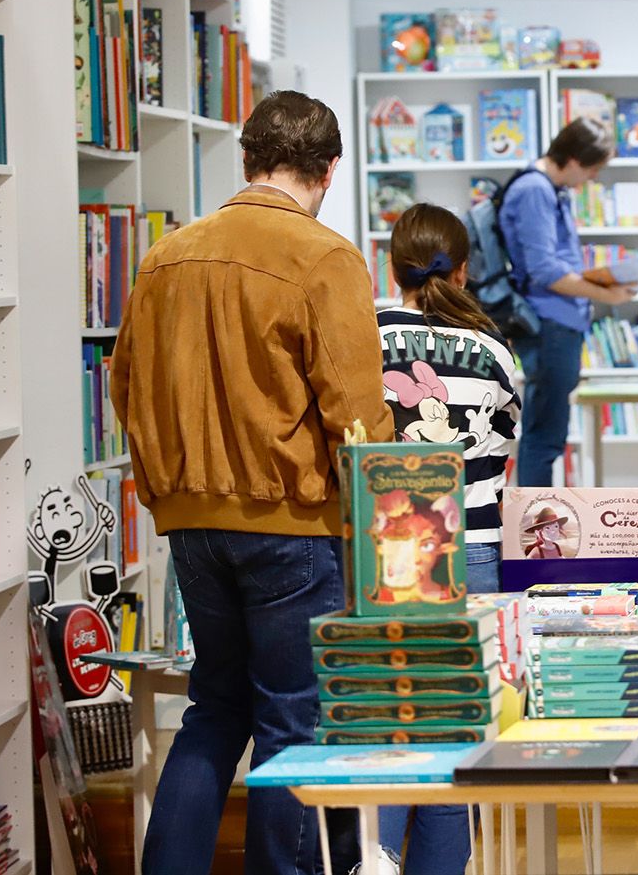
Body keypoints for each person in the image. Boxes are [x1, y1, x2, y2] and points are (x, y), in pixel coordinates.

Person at [111, 90, 391, 875]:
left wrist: (164, 488)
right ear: (329, 170)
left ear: (246, 157)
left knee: (214, 707)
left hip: (189, 524)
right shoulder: (326, 257)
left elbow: (125, 383)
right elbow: (358, 419)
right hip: (293, 526)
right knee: (293, 720)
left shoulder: (164, 255)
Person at [374, 203, 519, 875]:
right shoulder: (493, 352)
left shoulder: (360, 335)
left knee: (384, 731)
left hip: (385, 552)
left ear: (389, 263)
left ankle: (371, 860)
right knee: (451, 735)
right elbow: (502, 455)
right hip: (474, 549)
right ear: (464, 269)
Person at [499, 118, 634, 486]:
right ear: (573, 159)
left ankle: (535, 525)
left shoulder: (549, 190)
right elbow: (545, 270)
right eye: (591, 169)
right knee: (545, 435)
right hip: (549, 323)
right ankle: (533, 531)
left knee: (549, 432)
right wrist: (606, 293)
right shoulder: (534, 190)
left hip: (560, 322)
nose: (590, 178)